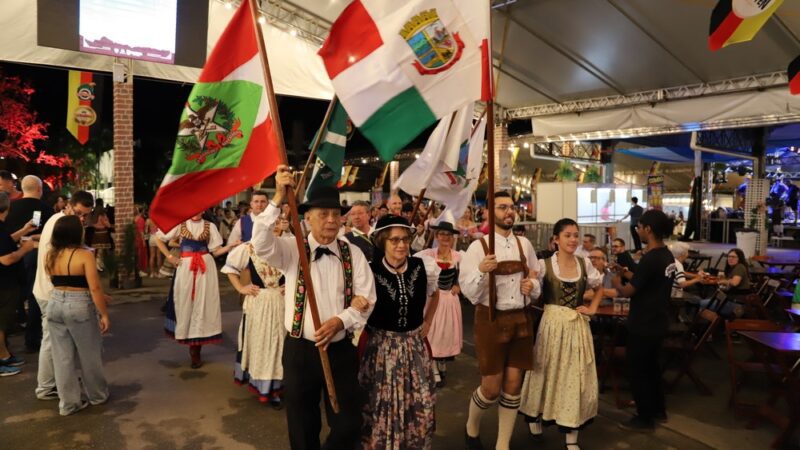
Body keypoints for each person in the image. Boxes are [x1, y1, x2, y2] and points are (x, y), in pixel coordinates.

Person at [251, 166, 376, 450]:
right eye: (323, 214)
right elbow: (259, 243)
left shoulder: (352, 253)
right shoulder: (291, 249)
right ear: (307, 218)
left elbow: (367, 297)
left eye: (335, 213)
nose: (331, 220)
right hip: (300, 351)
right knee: (302, 425)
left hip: (340, 351)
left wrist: (342, 320)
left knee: (349, 423)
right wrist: (276, 200)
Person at [460, 191, 541, 450]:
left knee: (514, 384)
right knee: (491, 388)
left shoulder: (524, 245)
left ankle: (502, 444)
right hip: (490, 320)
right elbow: (470, 293)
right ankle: (471, 426)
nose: (509, 212)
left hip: (520, 318)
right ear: (488, 212)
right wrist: (483, 271)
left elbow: (535, 279)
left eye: (511, 207)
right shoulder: (477, 247)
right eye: (502, 207)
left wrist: (532, 286)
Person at [519, 218, 604, 449]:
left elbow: (599, 287)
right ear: (556, 240)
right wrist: (529, 286)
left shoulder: (584, 262)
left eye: (576, 235)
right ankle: (535, 414)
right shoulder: (544, 263)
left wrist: (593, 309)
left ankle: (571, 433)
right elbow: (535, 290)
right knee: (545, 371)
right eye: (567, 235)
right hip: (552, 326)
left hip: (577, 326)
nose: (573, 239)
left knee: (574, 376)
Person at [361, 215, 437, 448]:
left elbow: (435, 294)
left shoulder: (422, 266)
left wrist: (428, 320)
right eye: (394, 240)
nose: (401, 245)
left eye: (405, 239)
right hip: (382, 349)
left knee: (420, 404)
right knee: (383, 407)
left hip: (414, 347)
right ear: (383, 242)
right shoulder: (369, 271)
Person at [612, 210, 676, 431]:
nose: (638, 230)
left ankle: (644, 418)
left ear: (648, 229)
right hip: (658, 322)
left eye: (639, 227)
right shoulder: (666, 256)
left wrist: (617, 281)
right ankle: (658, 411)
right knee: (652, 369)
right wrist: (626, 271)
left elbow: (629, 291)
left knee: (637, 371)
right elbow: (646, 279)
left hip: (643, 323)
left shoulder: (650, 258)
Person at [44, 215, 111, 415]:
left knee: (62, 357)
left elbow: (59, 281)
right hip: (79, 305)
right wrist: (104, 314)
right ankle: (97, 395)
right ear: (76, 233)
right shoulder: (85, 255)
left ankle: (68, 404)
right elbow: (95, 287)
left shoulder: (51, 254)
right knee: (89, 353)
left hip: (55, 303)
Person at [33, 190, 95, 400]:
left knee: (58, 344)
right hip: (52, 292)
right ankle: (46, 386)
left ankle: (56, 382)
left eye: (85, 215)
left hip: (53, 292)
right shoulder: (60, 224)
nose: (81, 218)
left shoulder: (60, 221)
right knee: (52, 343)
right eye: (78, 212)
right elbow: (59, 259)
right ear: (69, 205)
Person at [155, 214, 239, 368]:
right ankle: (190, 344)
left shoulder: (210, 226)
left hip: (205, 268)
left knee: (203, 304)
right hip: (186, 267)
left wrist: (230, 246)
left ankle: (196, 349)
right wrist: (169, 257)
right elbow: (158, 239)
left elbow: (215, 251)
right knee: (186, 304)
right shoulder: (180, 224)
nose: (197, 211)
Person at [222, 226, 286, 408]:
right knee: (264, 343)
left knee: (280, 343)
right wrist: (241, 288)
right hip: (261, 302)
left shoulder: (285, 246)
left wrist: (293, 285)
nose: (274, 229)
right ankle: (267, 387)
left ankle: (277, 384)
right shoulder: (249, 247)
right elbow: (230, 268)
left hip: (282, 301)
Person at [414, 219, 463, 388]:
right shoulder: (427, 255)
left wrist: (459, 286)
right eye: (442, 234)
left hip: (450, 300)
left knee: (446, 333)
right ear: (436, 235)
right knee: (432, 333)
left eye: (448, 235)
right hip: (434, 299)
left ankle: (442, 363)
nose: (445, 237)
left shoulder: (457, 257)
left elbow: (466, 275)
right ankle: (433, 367)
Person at [5, 175, 52, 351]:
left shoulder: (9, 208)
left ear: (22, 188)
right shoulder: (46, 210)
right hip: (35, 255)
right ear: (39, 189)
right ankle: (32, 339)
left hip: (9, 256)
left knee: (9, 298)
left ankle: (5, 343)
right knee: (34, 296)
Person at [0, 192, 37, 376]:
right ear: (6, 208)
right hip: (4, 284)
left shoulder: (2, 227)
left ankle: (4, 356)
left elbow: (6, 241)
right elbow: (6, 258)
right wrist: (25, 249)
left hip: (7, 283)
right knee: (1, 324)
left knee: (3, 324)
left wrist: (24, 230)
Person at [145, 214, 162, 278]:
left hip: (152, 237)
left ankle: (152, 273)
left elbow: (146, 231)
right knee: (158, 255)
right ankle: (159, 273)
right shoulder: (159, 219)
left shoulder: (148, 220)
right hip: (158, 237)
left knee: (152, 256)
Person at [134, 205, 148, 277]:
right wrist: (143, 241)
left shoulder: (133, 219)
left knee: (137, 254)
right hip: (139, 238)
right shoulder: (140, 219)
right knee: (142, 254)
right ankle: (141, 270)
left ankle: (137, 270)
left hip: (134, 238)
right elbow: (141, 231)